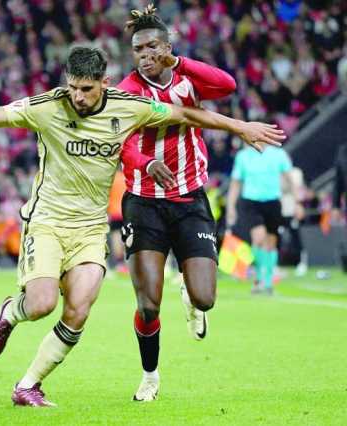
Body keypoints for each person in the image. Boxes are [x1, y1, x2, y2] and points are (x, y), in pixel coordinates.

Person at [0, 46, 284, 407]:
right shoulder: (48, 106)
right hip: (48, 222)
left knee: (79, 308)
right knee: (41, 305)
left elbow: (185, 113)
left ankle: (28, 385)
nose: (78, 97)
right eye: (73, 87)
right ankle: (8, 313)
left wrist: (240, 127)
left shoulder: (129, 106)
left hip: (90, 229)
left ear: (104, 84)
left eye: (87, 89)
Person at [116, 5, 237, 402]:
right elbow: (123, 143)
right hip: (144, 202)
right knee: (148, 303)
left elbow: (228, 85)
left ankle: (190, 297)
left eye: (153, 47)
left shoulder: (188, 79)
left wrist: (181, 62)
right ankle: (150, 377)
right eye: (138, 49)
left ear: (167, 47)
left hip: (189, 198)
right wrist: (146, 161)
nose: (145, 55)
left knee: (205, 298)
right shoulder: (127, 91)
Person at [227, 145, 296, 295]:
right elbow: (236, 183)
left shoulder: (278, 154)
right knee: (258, 238)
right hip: (251, 201)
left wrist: (297, 201)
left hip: (272, 201)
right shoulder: (243, 156)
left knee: (271, 242)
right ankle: (259, 279)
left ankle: (269, 281)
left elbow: (289, 178)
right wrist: (231, 206)